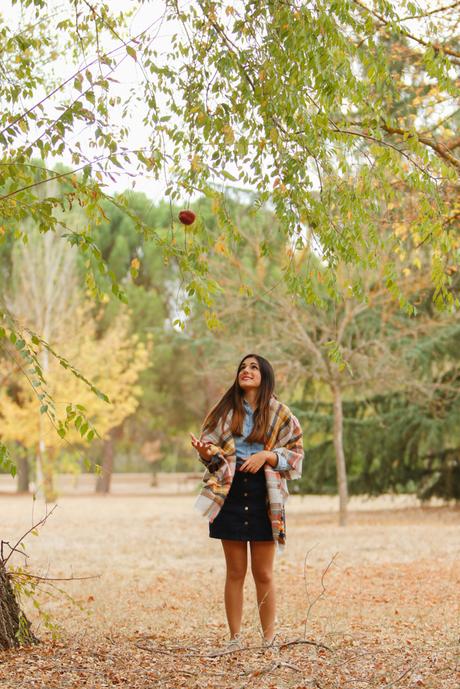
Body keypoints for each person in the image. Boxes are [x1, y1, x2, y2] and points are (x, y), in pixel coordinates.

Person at [190, 353, 303, 649]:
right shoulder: (225, 411)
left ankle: (269, 640)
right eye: (242, 367)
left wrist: (267, 455)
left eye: (253, 367)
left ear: (265, 375)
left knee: (263, 573)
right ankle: (235, 639)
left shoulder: (280, 413)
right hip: (230, 493)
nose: (246, 371)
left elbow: (296, 458)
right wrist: (205, 452)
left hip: (265, 495)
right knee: (235, 572)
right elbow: (212, 454)